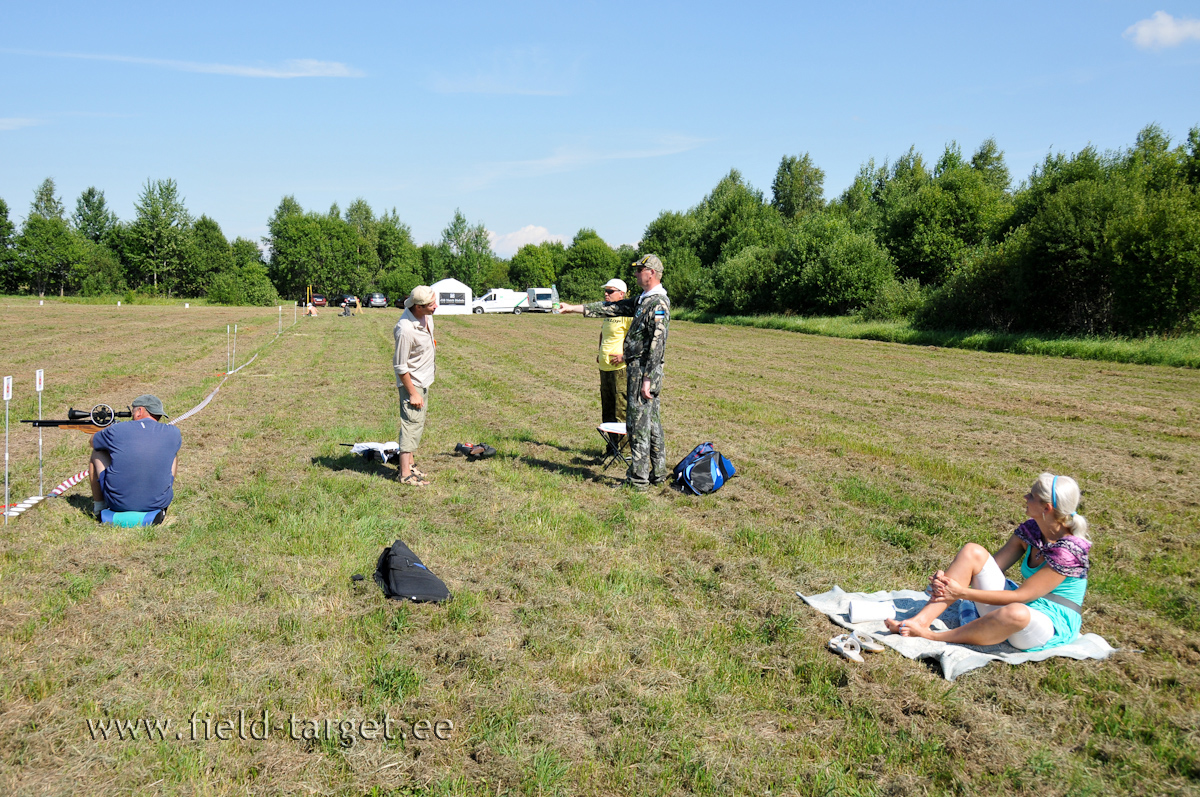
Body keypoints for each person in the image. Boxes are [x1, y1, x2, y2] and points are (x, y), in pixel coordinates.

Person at [885, 473, 1092, 651]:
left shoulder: (1070, 551)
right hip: (1025, 606)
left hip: (1049, 623)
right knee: (972, 552)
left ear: (1046, 508)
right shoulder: (1032, 531)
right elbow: (988, 567)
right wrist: (948, 583)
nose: (1025, 497)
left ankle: (932, 636)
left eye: (1032, 496)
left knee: (1015, 611)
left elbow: (1022, 596)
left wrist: (960, 593)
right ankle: (918, 622)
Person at [558, 255, 670, 490]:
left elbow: (657, 344)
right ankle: (658, 474)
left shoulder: (657, 302)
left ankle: (638, 481)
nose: (637, 274)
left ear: (651, 272)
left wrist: (648, 378)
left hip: (644, 371)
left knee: (638, 425)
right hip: (639, 369)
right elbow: (610, 308)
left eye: (640, 270)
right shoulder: (642, 299)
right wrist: (573, 309)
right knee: (651, 423)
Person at [89, 394, 182, 517]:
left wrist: (108, 430)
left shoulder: (117, 430)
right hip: (158, 503)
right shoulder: (174, 433)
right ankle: (161, 495)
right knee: (172, 453)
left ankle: (99, 506)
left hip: (117, 504)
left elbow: (93, 442)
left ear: (139, 411)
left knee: (97, 452)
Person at [393, 285, 438, 487]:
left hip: (424, 379)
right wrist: (412, 393)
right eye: (431, 305)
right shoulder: (405, 329)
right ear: (418, 307)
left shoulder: (426, 317)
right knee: (410, 425)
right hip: (414, 384)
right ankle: (404, 474)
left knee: (417, 424)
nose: (435, 307)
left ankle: (410, 465)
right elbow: (400, 366)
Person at [596, 278, 631, 440]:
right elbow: (603, 333)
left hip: (620, 369)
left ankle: (624, 451)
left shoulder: (627, 314)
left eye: (610, 291)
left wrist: (624, 355)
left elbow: (637, 338)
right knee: (607, 410)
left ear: (621, 294)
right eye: (606, 291)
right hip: (605, 367)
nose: (606, 294)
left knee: (621, 410)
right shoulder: (608, 312)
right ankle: (611, 447)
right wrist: (600, 352)